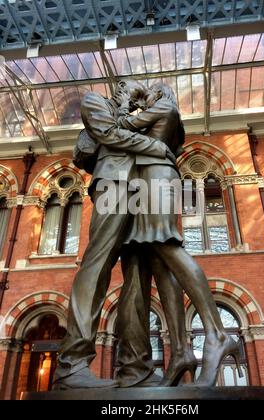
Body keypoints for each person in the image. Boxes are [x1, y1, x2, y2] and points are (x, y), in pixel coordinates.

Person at [117, 83, 243, 387]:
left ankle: (217, 333)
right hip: (148, 180)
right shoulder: (160, 114)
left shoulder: (165, 107)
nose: (141, 97)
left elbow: (121, 127)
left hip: (156, 178)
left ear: (159, 94)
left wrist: (124, 103)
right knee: (159, 261)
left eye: (146, 93)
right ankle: (182, 351)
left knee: (166, 244)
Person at [53, 81, 174, 390]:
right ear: (120, 86)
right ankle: (72, 364)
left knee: (138, 276)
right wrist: (155, 146)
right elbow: (109, 134)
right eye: (134, 89)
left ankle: (136, 367)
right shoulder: (96, 102)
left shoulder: (138, 115)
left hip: (142, 189)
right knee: (98, 263)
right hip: (114, 183)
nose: (139, 93)